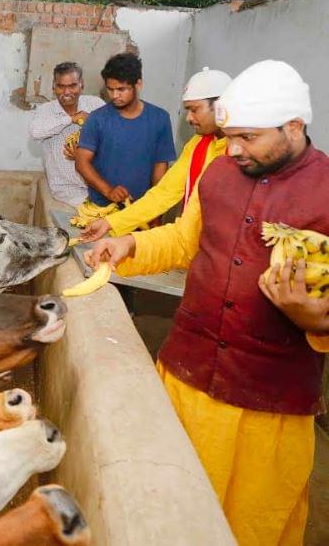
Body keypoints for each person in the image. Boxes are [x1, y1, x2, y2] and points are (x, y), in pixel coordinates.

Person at [87, 60, 328, 546]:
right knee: (170, 511)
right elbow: (184, 240)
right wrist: (130, 244)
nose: (232, 149)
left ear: (293, 127)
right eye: (229, 136)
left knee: (250, 524)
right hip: (187, 375)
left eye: (247, 138)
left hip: (267, 404)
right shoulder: (218, 173)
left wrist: (314, 320)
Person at [81, 67, 232, 240]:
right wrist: (110, 223)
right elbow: (164, 193)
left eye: (194, 109)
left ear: (221, 107)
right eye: (187, 110)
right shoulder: (198, 144)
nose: (188, 118)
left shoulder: (243, 155)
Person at [75, 53, 176, 207]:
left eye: (121, 89)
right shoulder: (97, 119)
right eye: (110, 89)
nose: (115, 95)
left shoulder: (159, 119)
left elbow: (160, 166)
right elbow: (81, 162)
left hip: (140, 209)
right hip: (101, 208)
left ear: (138, 84)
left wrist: (155, 207)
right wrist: (108, 191)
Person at [28, 62, 105, 206]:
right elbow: (35, 132)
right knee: (97, 214)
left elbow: (113, 138)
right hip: (68, 189)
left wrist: (84, 155)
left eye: (72, 86)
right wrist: (70, 119)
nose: (66, 92)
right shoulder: (45, 111)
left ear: (81, 85)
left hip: (98, 182)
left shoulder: (96, 104)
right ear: (53, 86)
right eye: (61, 86)